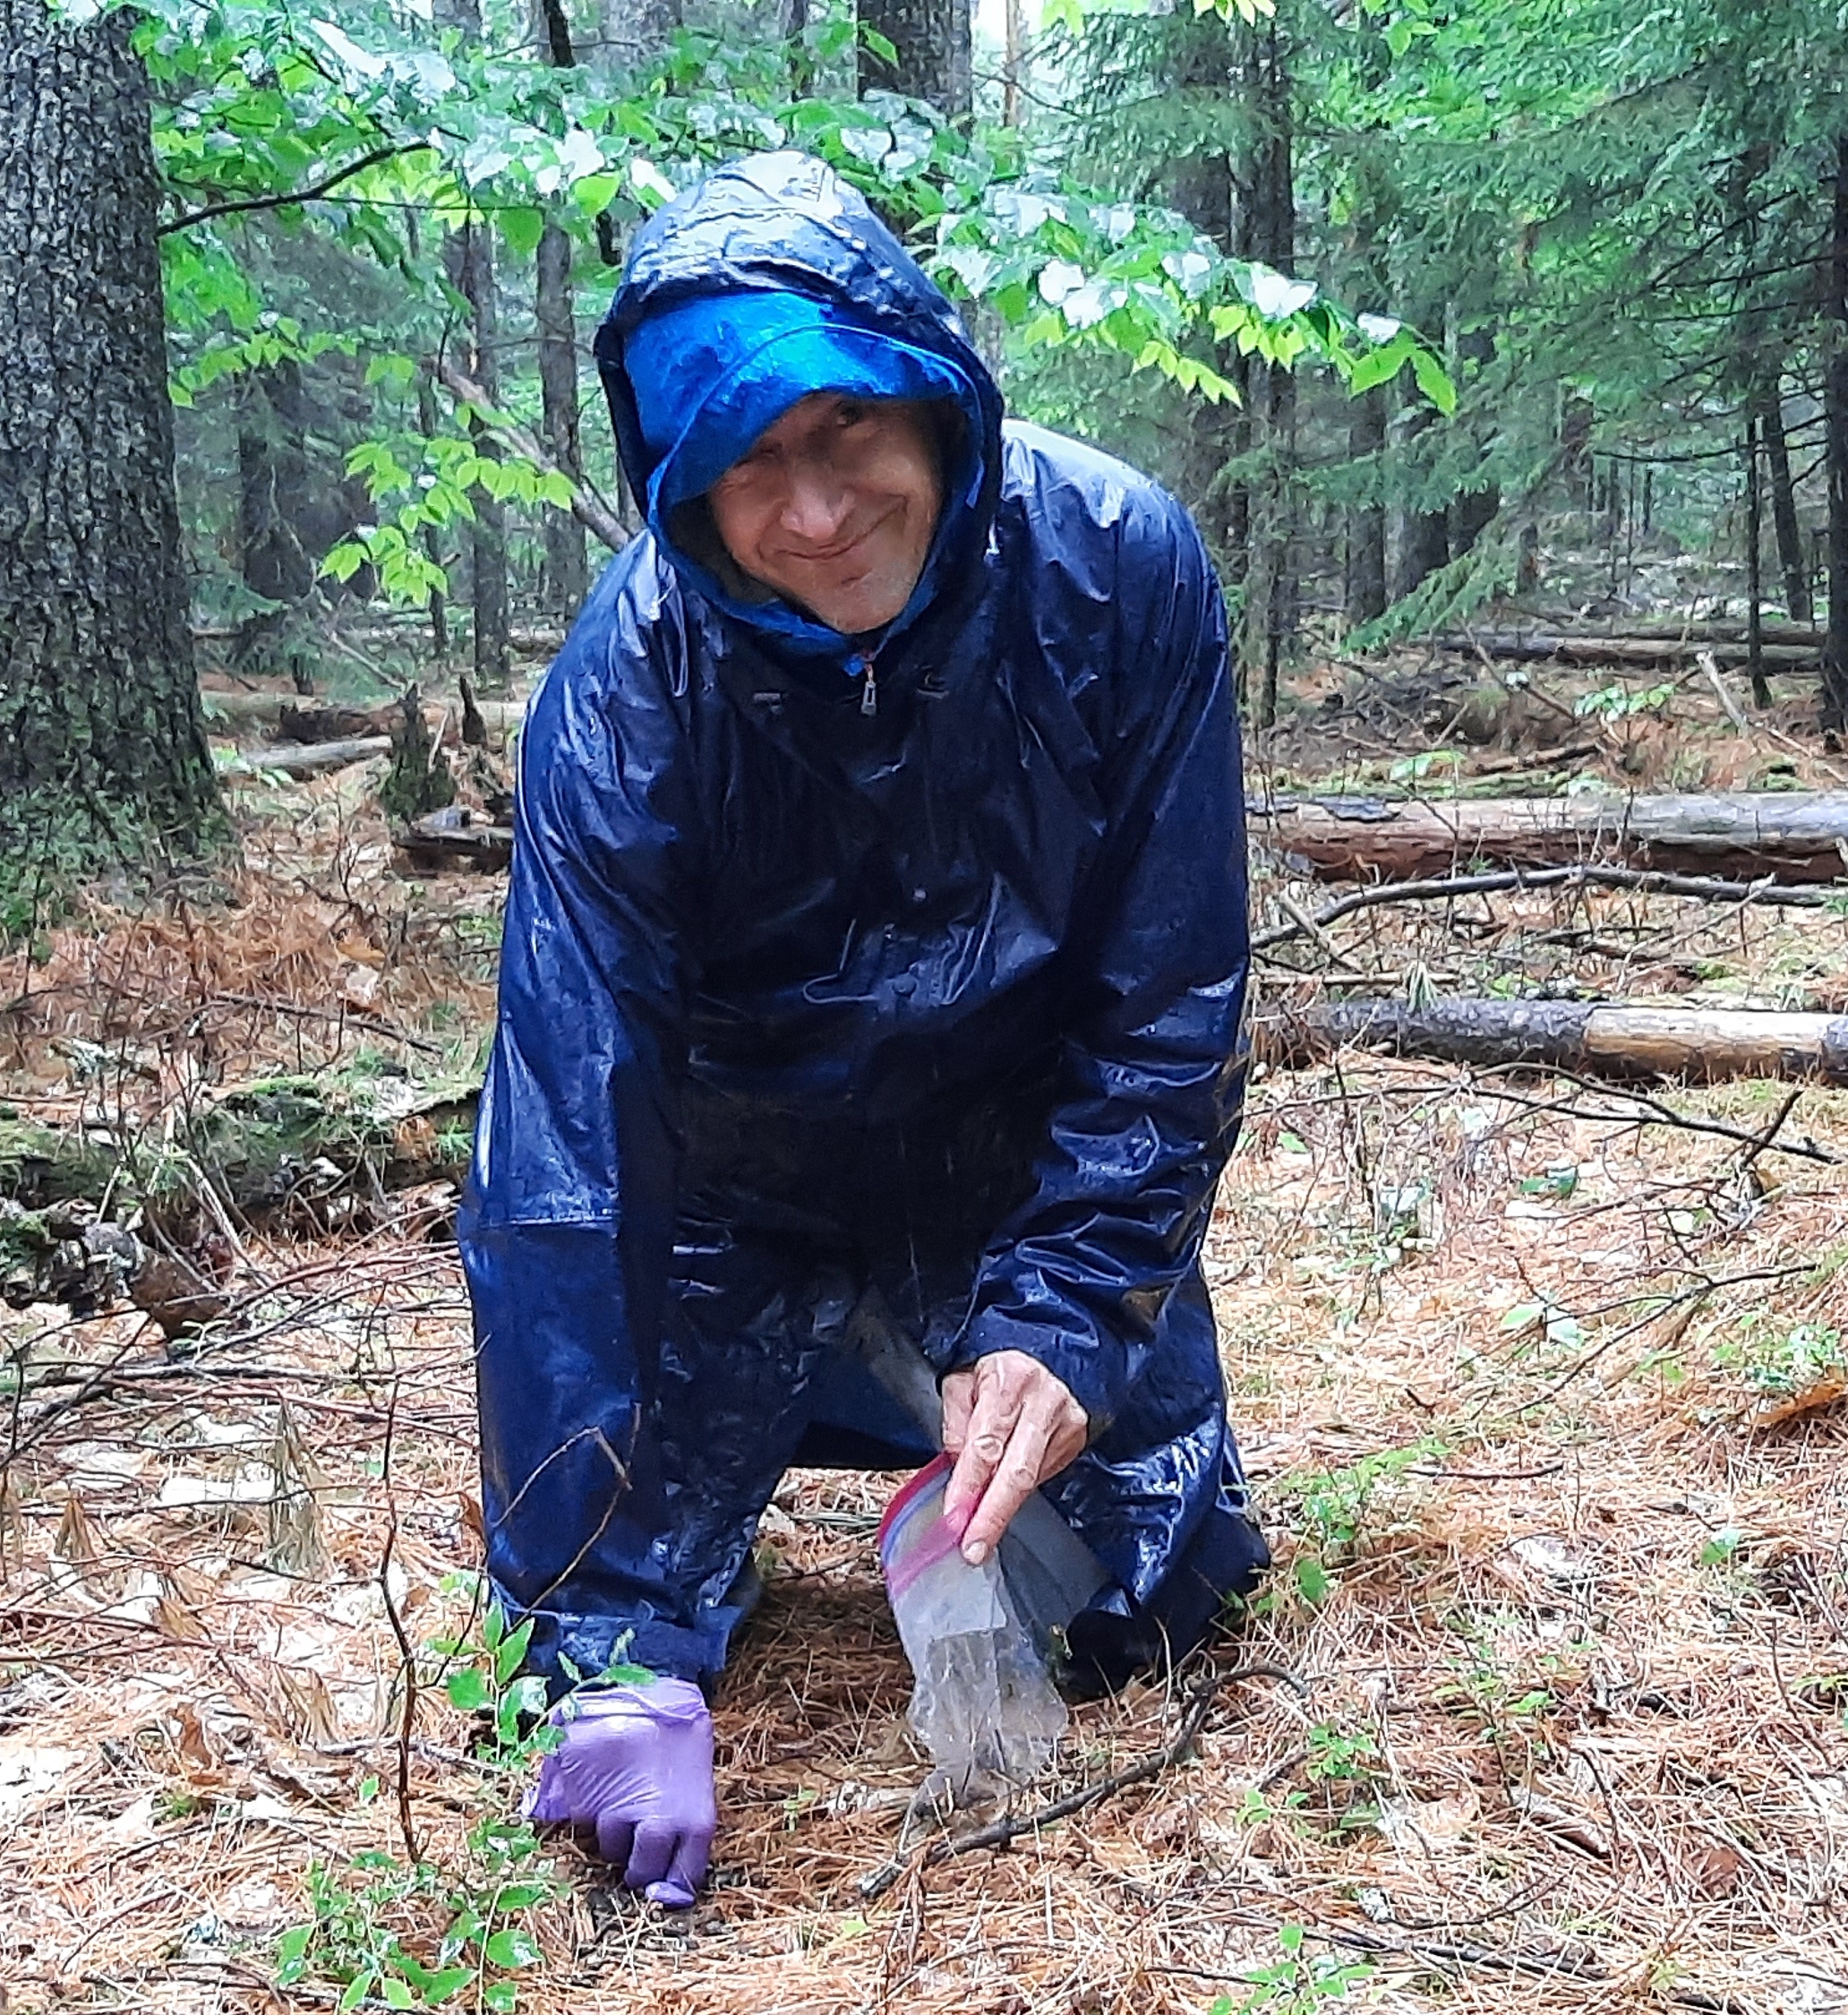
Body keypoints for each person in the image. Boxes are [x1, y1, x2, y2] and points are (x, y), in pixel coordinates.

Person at [461, 150, 1270, 1912]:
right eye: (748, 460)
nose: (813, 511)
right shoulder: (627, 691)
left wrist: (1057, 1317)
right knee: (627, 1622)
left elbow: (1166, 1010)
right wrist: (597, 1636)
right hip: (730, 1190)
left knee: (1154, 1596)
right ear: (678, 483)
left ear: (930, 399)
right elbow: (565, 1154)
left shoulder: (1120, 573)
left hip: (1010, 1167)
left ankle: (952, 1458)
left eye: (842, 432)